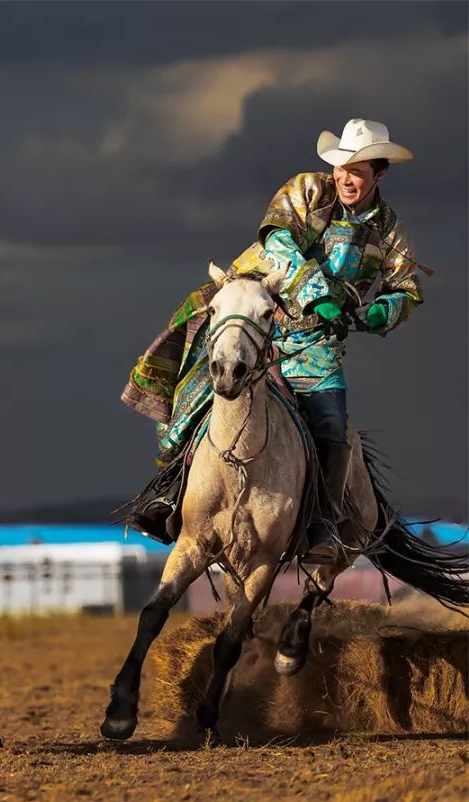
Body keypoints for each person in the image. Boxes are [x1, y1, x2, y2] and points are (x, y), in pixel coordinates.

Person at [123, 119, 427, 562]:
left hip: (317, 343)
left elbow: (408, 289)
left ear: (378, 175)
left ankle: (324, 526)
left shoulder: (391, 231)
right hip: (252, 313)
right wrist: (319, 295)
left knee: (332, 425)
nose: (346, 176)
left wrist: (386, 311)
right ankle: (167, 496)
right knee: (191, 396)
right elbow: (280, 242)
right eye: (343, 166)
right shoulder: (306, 189)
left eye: (358, 170)